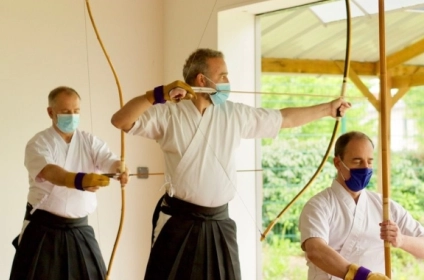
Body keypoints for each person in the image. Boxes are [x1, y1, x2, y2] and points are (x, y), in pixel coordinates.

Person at [111, 48, 351, 280]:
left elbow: (284, 118)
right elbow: (120, 120)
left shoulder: (233, 113)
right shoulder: (167, 114)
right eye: (222, 75)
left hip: (219, 223)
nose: (227, 81)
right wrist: (158, 94)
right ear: (201, 79)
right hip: (179, 223)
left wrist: (328, 109)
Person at [9, 86, 129, 280]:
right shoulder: (38, 143)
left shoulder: (89, 141)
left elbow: (109, 160)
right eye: (65, 112)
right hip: (43, 231)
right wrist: (79, 180)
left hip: (80, 230)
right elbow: (50, 172)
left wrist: (119, 168)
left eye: (76, 111)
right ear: (51, 112)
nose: (72, 116)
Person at [299, 131, 424, 280]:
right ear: (338, 163)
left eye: (370, 161)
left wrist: (401, 239)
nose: (365, 167)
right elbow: (316, 251)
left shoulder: (384, 205)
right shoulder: (319, 205)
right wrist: (363, 277)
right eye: (357, 161)